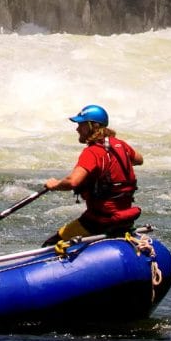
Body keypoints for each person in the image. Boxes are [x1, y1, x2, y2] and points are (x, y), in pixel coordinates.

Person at [42, 104, 143, 246]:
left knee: (50, 244)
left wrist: (55, 185)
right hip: (125, 217)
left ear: (92, 126)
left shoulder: (92, 152)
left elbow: (72, 182)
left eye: (81, 125)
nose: (77, 129)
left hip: (99, 221)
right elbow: (139, 159)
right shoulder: (121, 145)